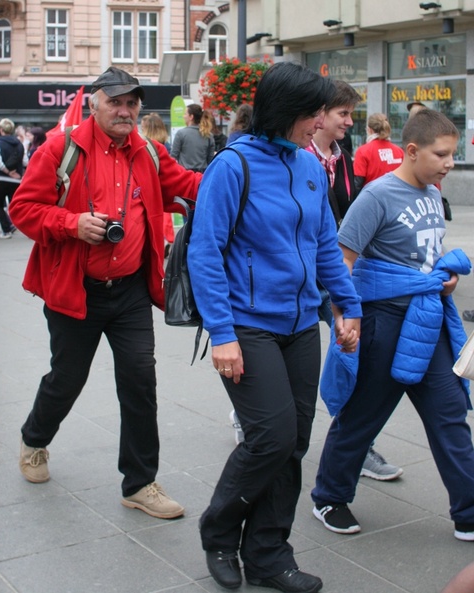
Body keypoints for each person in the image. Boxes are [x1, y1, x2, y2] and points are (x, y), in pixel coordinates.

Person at [188, 62, 362, 593]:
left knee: (294, 442)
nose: (319, 123)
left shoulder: (310, 168)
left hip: (299, 324)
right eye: (312, 113)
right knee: (270, 435)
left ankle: (268, 552)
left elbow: (324, 245)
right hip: (246, 325)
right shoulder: (232, 165)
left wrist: (346, 305)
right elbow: (205, 252)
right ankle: (219, 530)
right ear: (286, 112)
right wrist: (221, 333)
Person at [9, 66, 201, 520]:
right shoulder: (62, 148)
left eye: (132, 102)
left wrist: (239, 174)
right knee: (67, 379)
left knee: (140, 381)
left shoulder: (149, 152)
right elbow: (22, 209)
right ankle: (35, 439)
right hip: (77, 290)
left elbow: (188, 185)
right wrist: (71, 223)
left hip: (131, 291)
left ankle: (139, 483)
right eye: (115, 101)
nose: (125, 110)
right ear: (93, 102)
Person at [311, 109, 474, 543]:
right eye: (441, 154)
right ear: (413, 151)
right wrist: (346, 318)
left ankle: (470, 512)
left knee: (450, 415)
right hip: (384, 322)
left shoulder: (431, 193)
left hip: (428, 319)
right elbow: (342, 260)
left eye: (452, 154)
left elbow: (425, 256)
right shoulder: (377, 196)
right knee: (364, 415)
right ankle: (329, 496)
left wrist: (443, 276)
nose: (449, 163)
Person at [306, 81, 403, 482]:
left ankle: (356, 444)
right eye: (343, 114)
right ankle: (249, 413)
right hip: (297, 273)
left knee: (350, 352)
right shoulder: (297, 155)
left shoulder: (342, 158)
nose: (350, 121)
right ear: (321, 114)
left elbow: (348, 213)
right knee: (279, 354)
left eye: (350, 114)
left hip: (333, 272)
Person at [140, 112, 174, 256]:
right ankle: (166, 238)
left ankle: (159, 241)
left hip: (148, 184)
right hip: (164, 182)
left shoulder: (145, 146)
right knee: (164, 215)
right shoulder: (166, 144)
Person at [0, 118, 27, 238]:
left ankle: (6, 230)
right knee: (14, 205)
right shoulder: (19, 144)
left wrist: (7, 171)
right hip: (16, 180)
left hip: (1, 179)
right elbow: (25, 162)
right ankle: (19, 226)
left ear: (1, 130)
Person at [353, 113, 404, 193]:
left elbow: (358, 183)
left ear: (370, 130)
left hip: (373, 199)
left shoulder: (363, 151)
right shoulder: (399, 151)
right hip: (396, 197)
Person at [171, 103, 215, 172]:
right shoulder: (208, 136)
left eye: (185, 114)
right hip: (202, 175)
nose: (183, 116)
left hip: (185, 174)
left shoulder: (181, 133)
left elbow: (173, 157)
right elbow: (210, 160)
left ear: (191, 117)